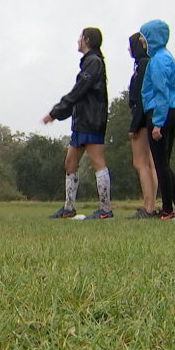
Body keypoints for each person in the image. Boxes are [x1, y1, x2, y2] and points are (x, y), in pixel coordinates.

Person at [42, 27, 113, 220]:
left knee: (97, 162)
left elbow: (78, 91)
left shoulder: (93, 62)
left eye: (80, 37)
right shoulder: (89, 63)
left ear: (87, 40)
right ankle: (68, 207)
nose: (77, 40)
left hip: (91, 120)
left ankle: (105, 209)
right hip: (81, 121)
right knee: (70, 163)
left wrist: (54, 113)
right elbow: (78, 95)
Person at [140, 19, 175, 220]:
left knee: (160, 165)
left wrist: (157, 123)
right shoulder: (166, 57)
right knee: (165, 164)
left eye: (143, 36)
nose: (141, 40)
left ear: (152, 37)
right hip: (174, 110)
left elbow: (161, 91)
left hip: (162, 112)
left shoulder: (158, 60)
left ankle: (168, 209)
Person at [126, 32, 159, 219]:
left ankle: (148, 207)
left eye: (130, 45)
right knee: (150, 163)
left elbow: (140, 98)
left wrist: (134, 125)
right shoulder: (148, 63)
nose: (129, 49)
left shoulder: (143, 65)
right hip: (150, 117)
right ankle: (151, 205)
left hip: (143, 119)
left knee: (140, 163)